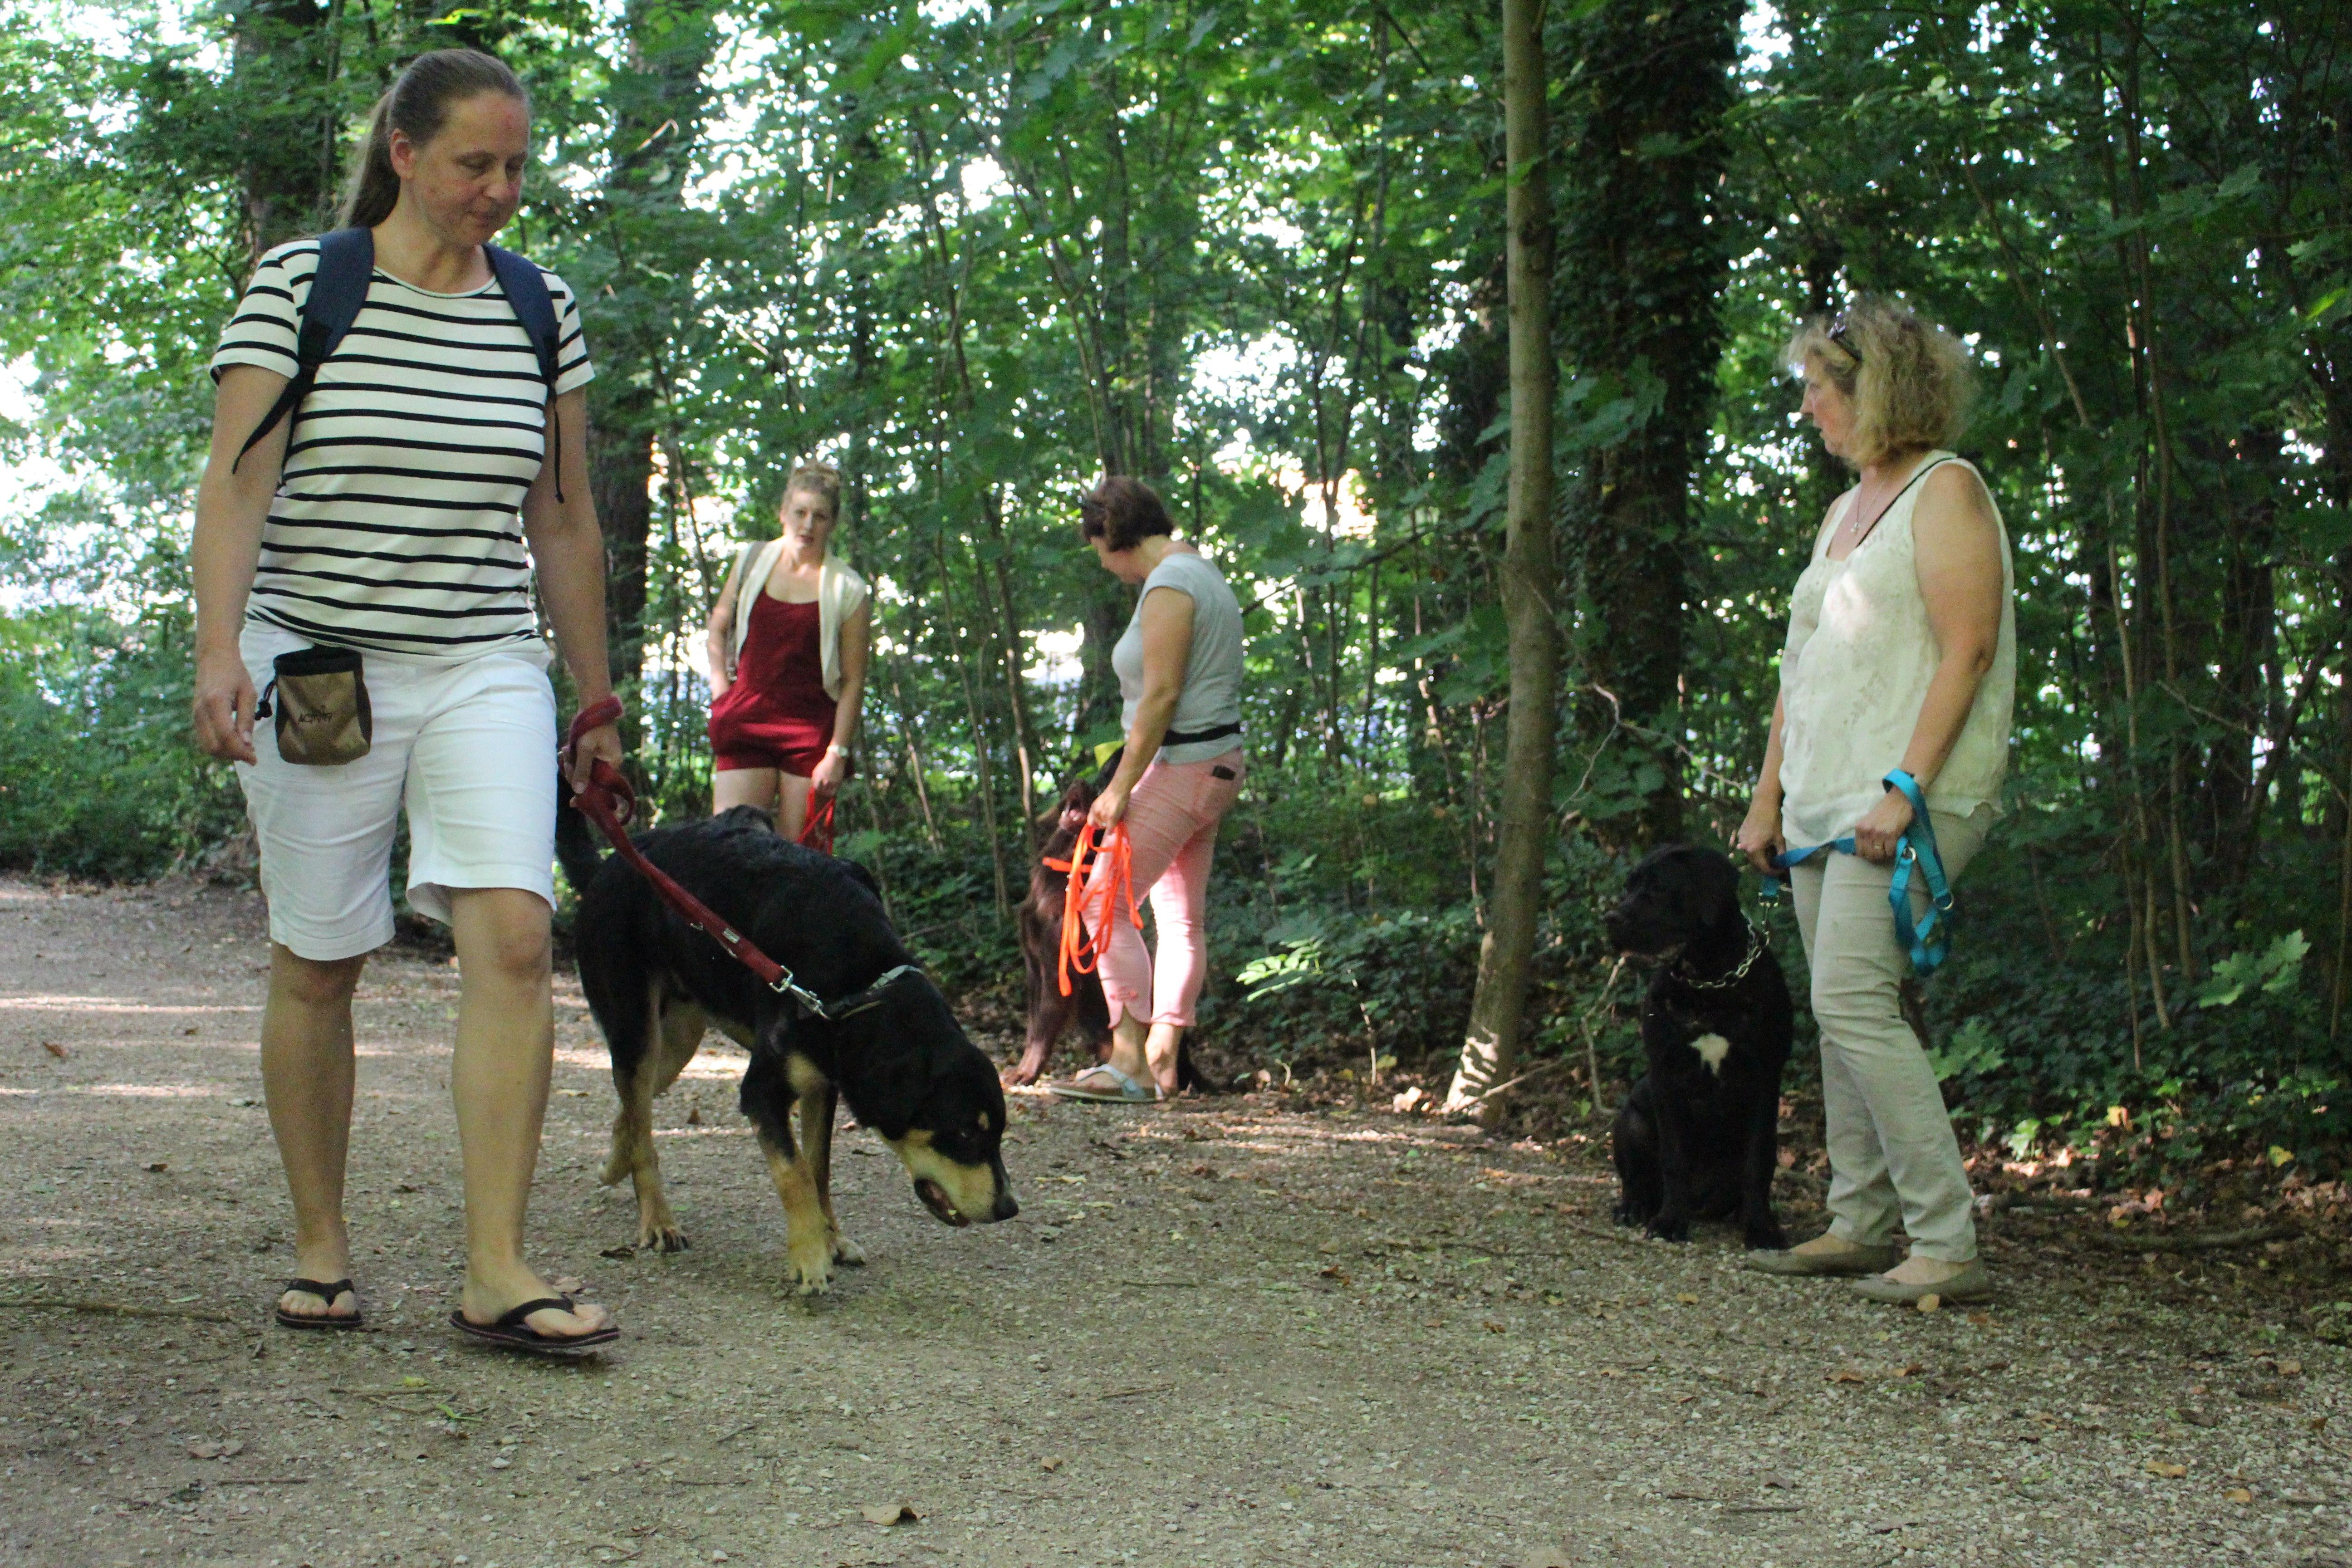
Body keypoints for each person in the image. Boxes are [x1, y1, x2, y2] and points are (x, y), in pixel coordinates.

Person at [190, 48, 619, 1352]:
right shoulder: (302, 287)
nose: (501, 189)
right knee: (323, 956)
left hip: (483, 659)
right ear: (405, 154)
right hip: (320, 662)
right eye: (476, 163)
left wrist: (595, 695)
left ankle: (497, 1265)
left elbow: (563, 520)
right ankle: (322, 1246)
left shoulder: (539, 309)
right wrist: (220, 651)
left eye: (518, 166)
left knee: (516, 940)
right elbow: (237, 485)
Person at [1735, 295, 2015, 1306]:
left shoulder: (1946, 491)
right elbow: (1800, 668)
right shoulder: (1842, 512)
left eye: (1818, 386)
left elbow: (1968, 649)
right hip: (1820, 799)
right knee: (1840, 1008)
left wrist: (1904, 788)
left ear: (1877, 389)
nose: (1806, 405)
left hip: (1908, 796)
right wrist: (1766, 797)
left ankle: (1945, 1239)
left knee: (1852, 1000)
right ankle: (1857, 1222)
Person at [1052, 477, 1245, 1103]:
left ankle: (1130, 1063)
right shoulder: (1203, 573)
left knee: (1100, 902)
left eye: (1098, 549)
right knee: (1181, 920)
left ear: (1113, 535)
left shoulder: (1170, 585)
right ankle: (1163, 1056)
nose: (1102, 564)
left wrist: (1119, 788)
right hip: (1217, 765)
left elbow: (1161, 697)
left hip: (1183, 765)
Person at [703, 463, 871, 842]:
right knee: (732, 848)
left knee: (801, 860)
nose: (808, 525)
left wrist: (837, 753)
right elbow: (718, 628)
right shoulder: (751, 562)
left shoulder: (849, 589)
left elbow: (853, 681)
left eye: (820, 516)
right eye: (800, 512)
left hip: (810, 733)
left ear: (833, 523)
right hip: (746, 721)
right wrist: (721, 694)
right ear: (783, 514)